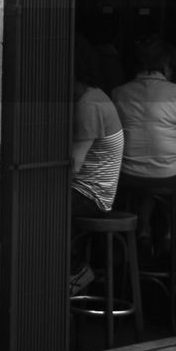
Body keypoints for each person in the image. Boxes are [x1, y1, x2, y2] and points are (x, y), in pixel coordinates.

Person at [112, 37, 176, 258]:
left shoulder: (119, 92)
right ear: (167, 66)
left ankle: (145, 231)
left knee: (148, 179)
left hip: (129, 175)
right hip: (171, 176)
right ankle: (171, 234)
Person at [69, 37, 124, 294]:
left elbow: (73, 166)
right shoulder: (92, 97)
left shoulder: (89, 105)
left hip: (91, 195)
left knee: (37, 210)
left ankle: (76, 270)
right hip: (89, 190)